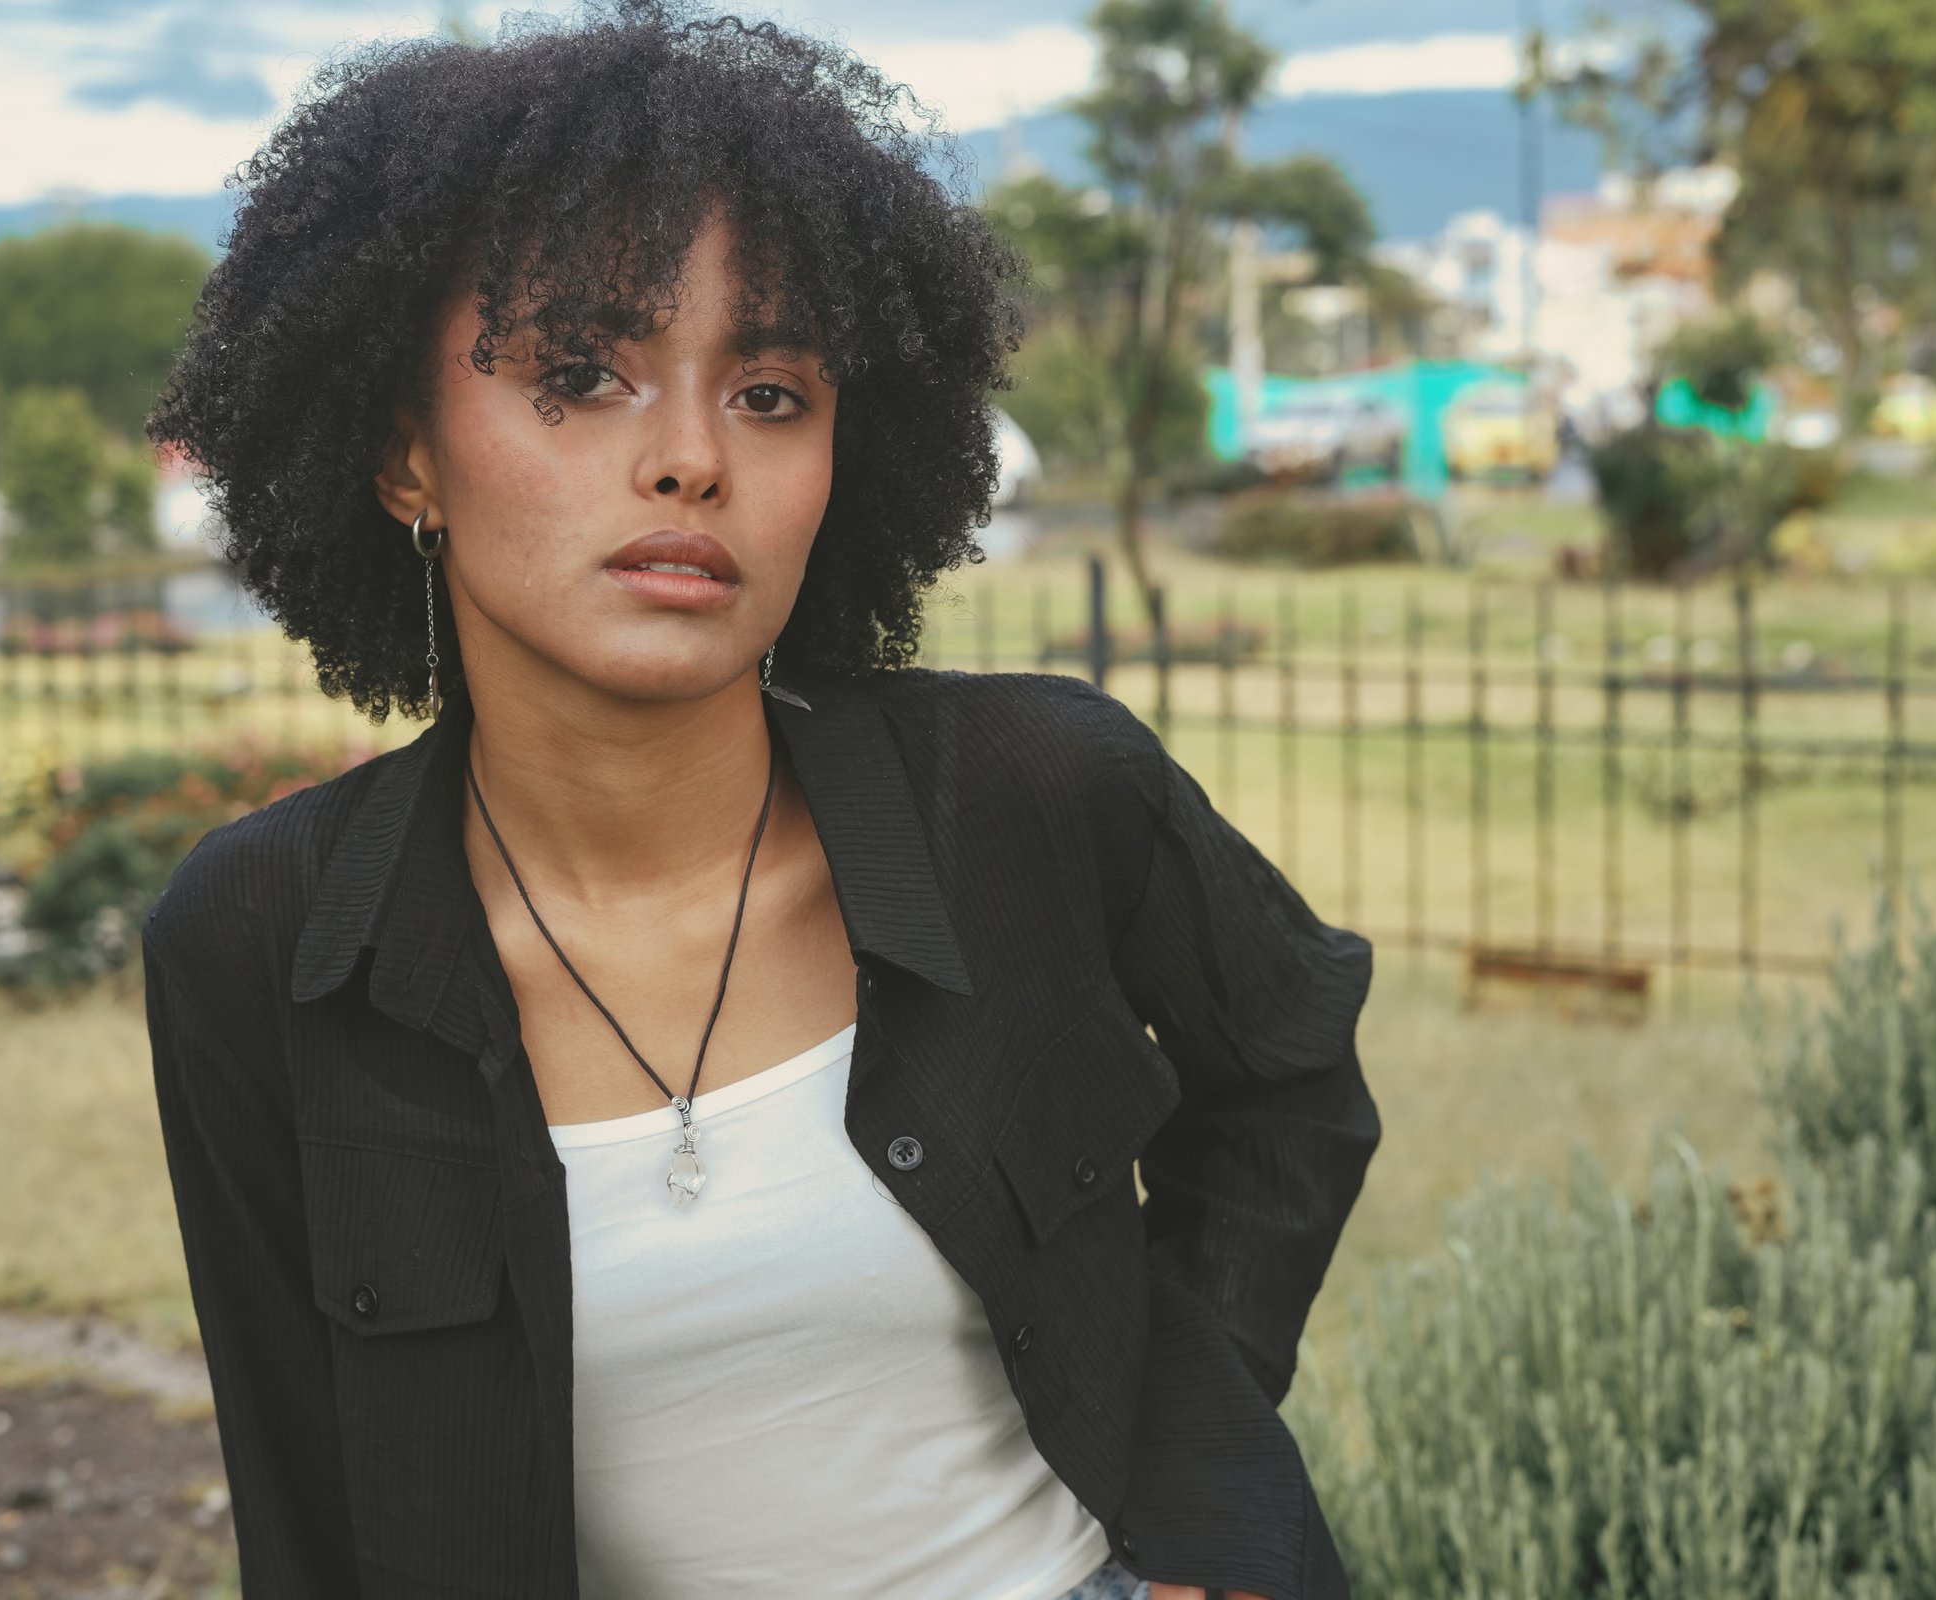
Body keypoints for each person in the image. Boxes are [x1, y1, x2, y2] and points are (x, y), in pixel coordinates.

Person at [137, 5, 1381, 1598]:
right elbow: (311, 1507)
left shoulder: (1035, 793)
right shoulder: (265, 945)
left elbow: (1289, 1077)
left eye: (771, 392)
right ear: (405, 460)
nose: (690, 459)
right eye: (581, 374)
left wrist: (1201, 1500)